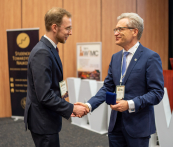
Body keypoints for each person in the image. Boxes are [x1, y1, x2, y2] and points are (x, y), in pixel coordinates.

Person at [74, 12, 164, 147]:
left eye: (120, 29)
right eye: (115, 29)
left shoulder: (150, 57)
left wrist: (129, 104)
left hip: (138, 128)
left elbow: (157, 93)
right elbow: (107, 87)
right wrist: (89, 105)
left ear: (134, 31)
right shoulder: (115, 58)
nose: (116, 33)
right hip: (115, 126)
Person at [24, 7, 88, 147]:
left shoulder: (50, 49)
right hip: (43, 122)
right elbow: (45, 95)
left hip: (47, 118)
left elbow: (53, 85)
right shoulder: (42, 52)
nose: (70, 32)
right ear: (54, 27)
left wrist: (65, 104)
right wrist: (71, 108)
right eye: (68, 28)